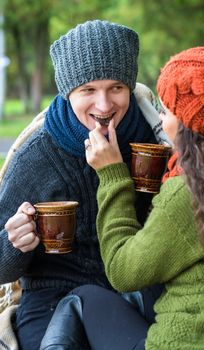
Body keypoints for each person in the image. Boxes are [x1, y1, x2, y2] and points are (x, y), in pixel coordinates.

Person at [41, 45, 204, 349]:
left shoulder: (191, 192)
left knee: (82, 299)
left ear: (189, 125)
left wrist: (112, 174)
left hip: (191, 339)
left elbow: (122, 270)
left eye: (167, 110)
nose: (159, 116)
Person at [0, 20, 167, 349]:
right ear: (68, 92)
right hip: (51, 296)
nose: (104, 106)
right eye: (88, 90)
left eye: (116, 88)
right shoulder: (38, 155)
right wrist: (14, 244)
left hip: (136, 288)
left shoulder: (153, 141)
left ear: (130, 87)